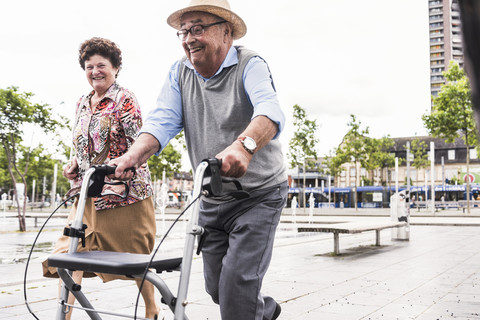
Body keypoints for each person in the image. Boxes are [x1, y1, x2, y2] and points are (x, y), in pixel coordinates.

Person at [110, 0, 287, 319]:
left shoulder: (250, 64)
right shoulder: (180, 71)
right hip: (212, 198)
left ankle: (250, 309)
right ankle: (264, 311)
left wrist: (243, 146)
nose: (189, 38)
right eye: (183, 31)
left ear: (226, 32)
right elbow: (162, 120)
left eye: (198, 28)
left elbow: (269, 110)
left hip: (258, 196)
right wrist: (132, 156)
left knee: (236, 288)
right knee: (218, 289)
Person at [42, 37, 162, 320]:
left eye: (101, 65)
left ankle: (152, 307)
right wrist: (74, 164)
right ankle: (64, 315)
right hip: (88, 194)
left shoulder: (125, 99)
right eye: (89, 66)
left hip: (124, 195)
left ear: (116, 67)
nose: (95, 71)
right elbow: (82, 146)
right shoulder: (82, 103)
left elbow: (139, 146)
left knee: (135, 258)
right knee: (68, 256)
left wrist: (122, 167)